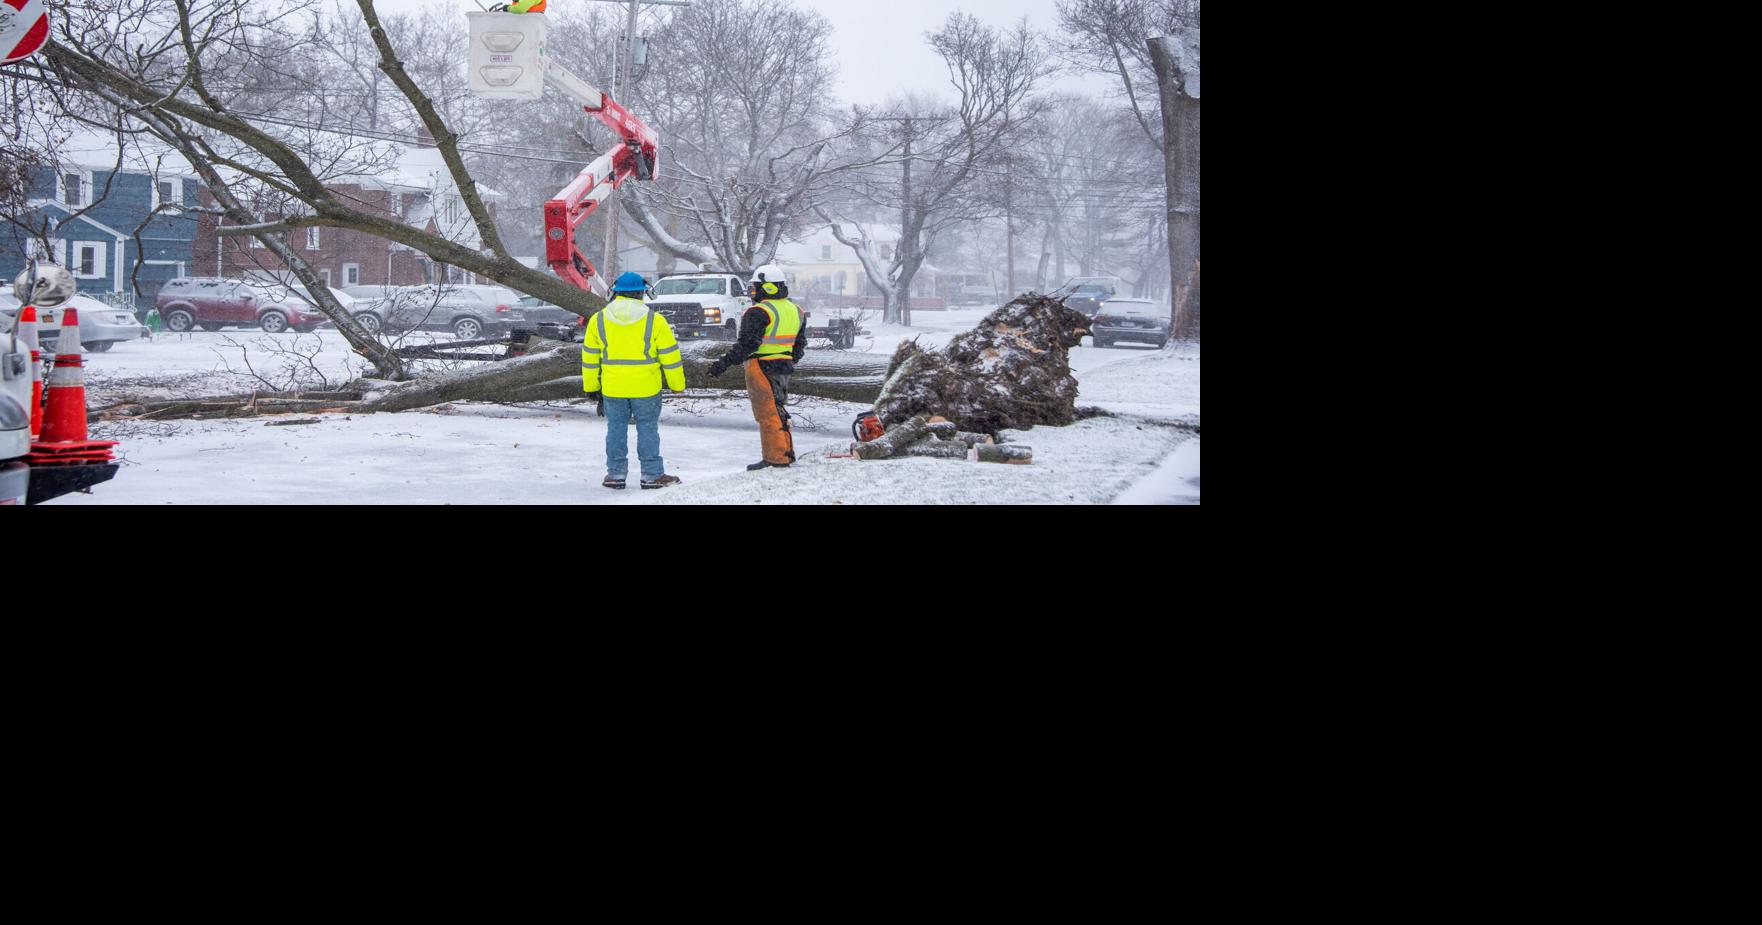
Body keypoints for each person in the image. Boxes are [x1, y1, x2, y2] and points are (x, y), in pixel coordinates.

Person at [582, 271, 684, 490]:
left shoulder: (598, 320)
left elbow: (590, 358)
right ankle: (652, 474)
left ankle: (615, 474)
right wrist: (677, 384)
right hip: (646, 387)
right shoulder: (655, 320)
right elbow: (671, 357)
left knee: (615, 429)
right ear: (642, 293)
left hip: (613, 387)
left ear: (615, 293)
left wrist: (591, 386)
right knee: (647, 429)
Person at [705, 264, 805, 471]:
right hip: (784, 366)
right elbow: (800, 345)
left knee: (767, 413)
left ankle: (776, 457)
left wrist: (722, 364)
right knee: (778, 409)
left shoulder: (758, 312)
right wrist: (787, 360)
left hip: (761, 366)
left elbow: (747, 345)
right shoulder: (796, 310)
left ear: (767, 287)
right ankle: (785, 451)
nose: (752, 292)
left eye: (755, 287)